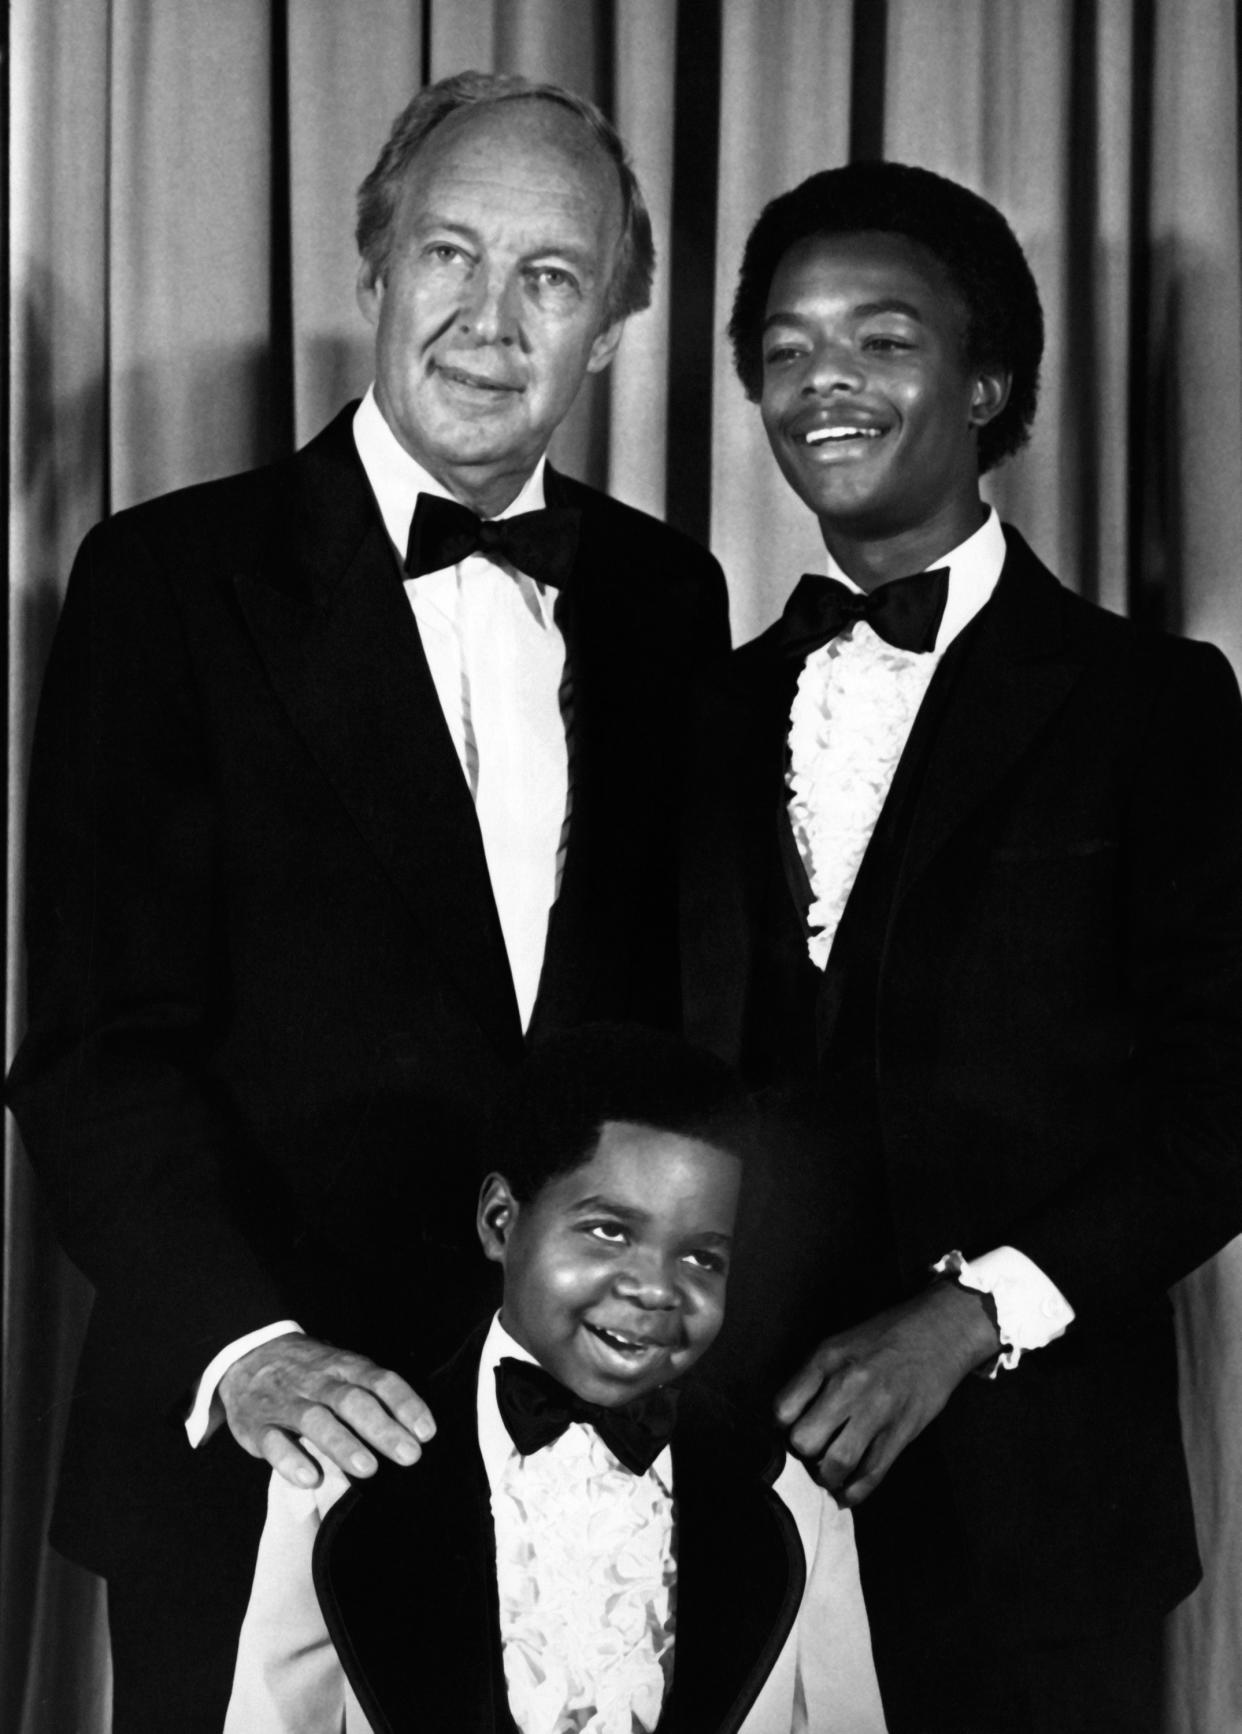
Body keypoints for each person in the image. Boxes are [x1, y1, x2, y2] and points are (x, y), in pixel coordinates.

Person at [5, 72, 727, 1732]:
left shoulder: (664, 597)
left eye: (549, 275)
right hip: (259, 1429)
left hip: (583, 1447)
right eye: (449, 257)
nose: (490, 317)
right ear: (371, 275)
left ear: (610, 324)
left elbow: (680, 1038)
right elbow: (95, 1048)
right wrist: (245, 1345)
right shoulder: (167, 579)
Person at [683, 160, 1242, 1733]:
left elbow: (1224, 1101)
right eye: (783, 351)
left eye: (879, 338)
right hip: (730, 1494)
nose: (821, 385)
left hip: (1039, 1525)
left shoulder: (1150, 704)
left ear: (987, 378)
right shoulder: (699, 709)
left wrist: (971, 1309)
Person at [222, 1024, 887, 1734]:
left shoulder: (792, 1496)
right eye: (610, 1232)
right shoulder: (337, 1475)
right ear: (501, 1221)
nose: (656, 1290)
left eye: (701, 1258)